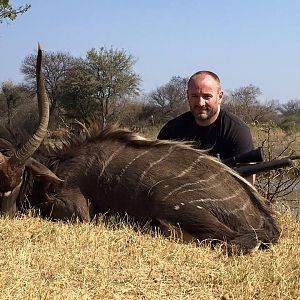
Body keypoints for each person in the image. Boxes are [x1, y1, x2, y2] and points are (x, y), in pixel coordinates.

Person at [157, 70, 255, 184]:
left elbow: (248, 182)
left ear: (220, 96)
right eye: (195, 96)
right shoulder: (171, 130)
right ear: (187, 96)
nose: (200, 103)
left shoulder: (237, 131)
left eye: (207, 96)